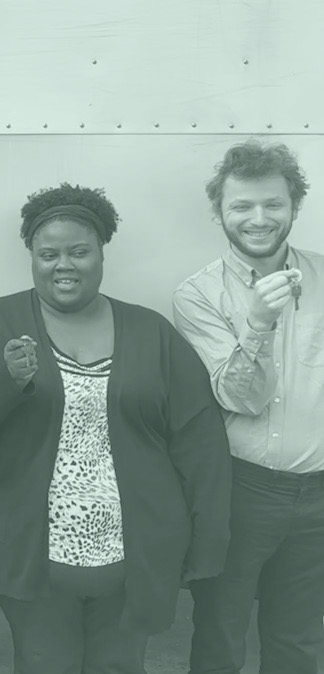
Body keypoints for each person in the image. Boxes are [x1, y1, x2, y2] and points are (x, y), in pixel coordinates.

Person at [0, 183, 232, 674]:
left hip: (134, 558)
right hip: (31, 559)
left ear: (101, 254)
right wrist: (6, 382)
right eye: (48, 253)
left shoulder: (151, 331)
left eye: (79, 251)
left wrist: (207, 542)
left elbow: (200, 441)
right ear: (31, 257)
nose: (64, 265)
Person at [172, 140, 324, 674]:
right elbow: (243, 399)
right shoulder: (198, 295)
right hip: (240, 489)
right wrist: (258, 323)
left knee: (301, 641)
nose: (258, 219)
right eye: (242, 207)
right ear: (220, 213)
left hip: (319, 492)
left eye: (273, 205)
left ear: (295, 207)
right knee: (220, 636)